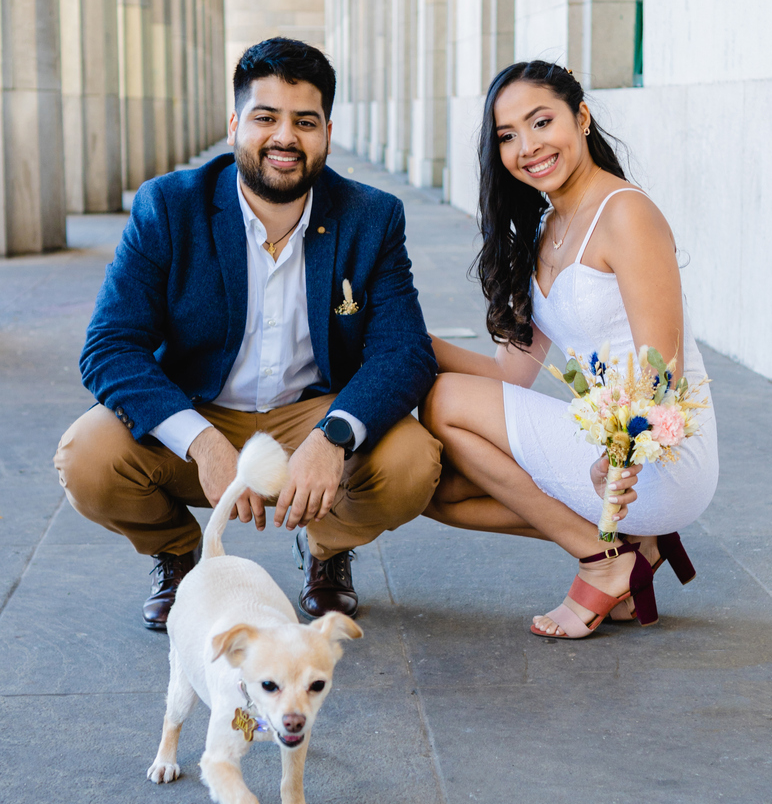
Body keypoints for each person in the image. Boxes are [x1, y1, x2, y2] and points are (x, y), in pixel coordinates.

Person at [55, 37, 441, 630]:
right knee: (86, 457)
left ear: (327, 135)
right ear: (235, 124)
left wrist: (332, 438)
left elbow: (404, 350)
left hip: (308, 416)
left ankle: (325, 550)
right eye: (266, 117)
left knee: (414, 462)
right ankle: (180, 556)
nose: (285, 137)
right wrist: (203, 444)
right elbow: (109, 347)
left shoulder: (371, 215)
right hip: (198, 410)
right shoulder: (170, 206)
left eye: (304, 122)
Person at [421, 61, 718, 639]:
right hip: (602, 443)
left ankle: (604, 563)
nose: (527, 147)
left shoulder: (626, 214)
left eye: (540, 122)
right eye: (507, 136)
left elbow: (664, 368)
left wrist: (623, 450)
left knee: (444, 399)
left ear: (581, 117)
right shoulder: (544, 228)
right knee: (442, 494)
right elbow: (512, 374)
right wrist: (405, 338)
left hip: (657, 450)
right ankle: (633, 547)